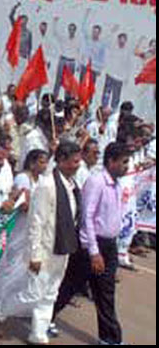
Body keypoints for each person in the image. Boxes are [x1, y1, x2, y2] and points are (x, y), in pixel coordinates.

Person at [0, 142, 82, 345]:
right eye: (75, 161)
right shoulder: (47, 184)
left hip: (63, 248)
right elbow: (36, 221)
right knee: (33, 293)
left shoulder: (71, 185)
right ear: (62, 160)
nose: (78, 164)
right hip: (45, 249)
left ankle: (38, 333)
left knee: (50, 293)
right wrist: (34, 254)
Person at [52, 142, 131, 345]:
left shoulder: (116, 183)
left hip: (109, 246)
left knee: (105, 293)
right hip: (90, 246)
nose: (127, 166)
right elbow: (87, 217)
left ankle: (110, 338)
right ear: (111, 161)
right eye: (123, 162)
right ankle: (44, 317)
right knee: (69, 286)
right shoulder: (96, 182)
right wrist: (94, 252)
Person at [53, 18, 82, 99]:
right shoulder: (64, 37)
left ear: (75, 31)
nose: (71, 31)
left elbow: (79, 53)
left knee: (69, 81)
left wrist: (78, 65)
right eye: (70, 29)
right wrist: (55, 22)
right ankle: (54, 97)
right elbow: (55, 34)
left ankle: (67, 98)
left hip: (71, 62)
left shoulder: (78, 40)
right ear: (68, 29)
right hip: (62, 60)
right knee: (58, 80)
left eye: (73, 29)